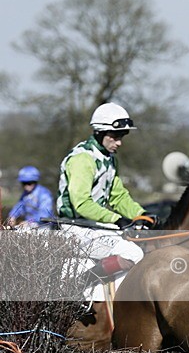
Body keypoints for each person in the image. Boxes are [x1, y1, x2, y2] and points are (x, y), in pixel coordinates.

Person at [57, 102, 157, 287]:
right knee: (133, 254)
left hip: (95, 226)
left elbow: (118, 196)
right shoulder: (82, 158)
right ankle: (74, 286)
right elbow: (81, 203)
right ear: (100, 132)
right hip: (74, 229)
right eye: (115, 137)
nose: (119, 143)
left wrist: (141, 214)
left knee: (145, 245)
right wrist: (116, 219)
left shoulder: (110, 159)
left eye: (122, 137)